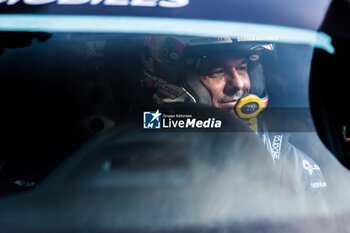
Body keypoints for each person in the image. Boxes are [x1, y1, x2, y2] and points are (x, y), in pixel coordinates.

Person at [140, 35, 327, 196]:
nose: (238, 84)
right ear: (173, 79)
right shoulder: (140, 154)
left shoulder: (284, 160)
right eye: (217, 72)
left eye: (243, 68)